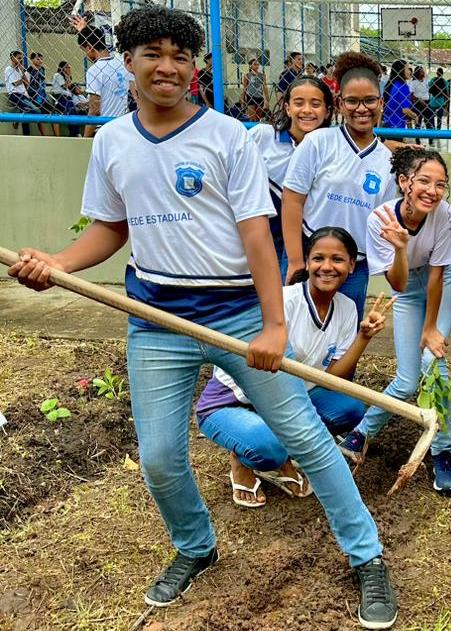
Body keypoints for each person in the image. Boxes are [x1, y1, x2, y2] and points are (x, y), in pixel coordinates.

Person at [5, 7, 398, 628]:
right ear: (125, 62)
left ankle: (368, 557)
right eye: (152, 54)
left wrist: (273, 326)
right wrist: (56, 263)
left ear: (195, 68)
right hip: (156, 318)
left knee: (307, 438)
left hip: (238, 313)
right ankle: (195, 546)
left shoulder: (226, 137)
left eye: (180, 56)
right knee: (161, 456)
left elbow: (256, 237)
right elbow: (111, 227)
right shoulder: (112, 141)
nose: (167, 67)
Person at [195, 228, 391, 508]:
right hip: (235, 401)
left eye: (337, 259)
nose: (327, 267)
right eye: (318, 258)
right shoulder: (282, 301)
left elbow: (335, 378)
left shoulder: (347, 308)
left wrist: (364, 337)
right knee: (269, 449)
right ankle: (243, 460)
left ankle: (284, 451)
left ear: (351, 265)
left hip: (292, 399)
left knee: (351, 409)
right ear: (307, 263)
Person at [339, 147, 451, 493]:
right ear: (404, 181)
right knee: (408, 381)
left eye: (441, 184)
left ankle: (442, 452)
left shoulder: (445, 213)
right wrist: (399, 248)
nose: (432, 191)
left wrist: (431, 328)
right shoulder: (380, 218)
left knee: (432, 363)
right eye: (424, 181)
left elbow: (439, 273)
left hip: (444, 281)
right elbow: (397, 284)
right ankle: (362, 433)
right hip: (406, 285)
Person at [282, 52, 397, 319]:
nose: (361, 109)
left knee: (343, 342)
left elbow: (381, 221)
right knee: (295, 335)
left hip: (353, 267)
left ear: (381, 102)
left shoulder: (387, 160)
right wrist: (297, 261)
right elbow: (292, 200)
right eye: (352, 101)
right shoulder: (318, 143)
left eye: (369, 100)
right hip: (313, 260)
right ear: (339, 103)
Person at [249, 75, 333, 280]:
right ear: (287, 108)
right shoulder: (264, 136)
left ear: (328, 111)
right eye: (298, 103)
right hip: (260, 234)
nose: (306, 110)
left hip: (299, 239)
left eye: (315, 104)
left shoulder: (332, 147)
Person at [77, 23, 134, 137]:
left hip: (104, 130)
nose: (86, 55)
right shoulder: (123, 64)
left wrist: (85, 138)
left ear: (89, 47)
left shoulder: (94, 71)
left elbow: (95, 109)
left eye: (85, 51)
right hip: (124, 126)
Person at [4, 51, 39, 136]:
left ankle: (26, 135)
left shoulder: (19, 69)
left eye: (21, 58)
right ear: (13, 58)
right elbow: (15, 83)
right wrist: (23, 80)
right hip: (15, 94)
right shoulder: (9, 69)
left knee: (26, 115)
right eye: (19, 58)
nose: (21, 60)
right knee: (36, 111)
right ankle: (18, 117)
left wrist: (22, 71)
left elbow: (27, 83)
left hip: (24, 95)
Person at [382, 59, 415, 136]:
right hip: (398, 126)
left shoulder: (391, 84)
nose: (410, 71)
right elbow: (405, 110)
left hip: (387, 124)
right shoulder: (403, 87)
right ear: (401, 70)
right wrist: (415, 116)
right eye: (407, 68)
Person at [27, 53, 56, 136]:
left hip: (42, 95)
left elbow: (42, 81)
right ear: (32, 60)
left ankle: (56, 135)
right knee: (39, 113)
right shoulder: (29, 70)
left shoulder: (42, 69)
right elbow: (27, 83)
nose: (40, 61)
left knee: (52, 111)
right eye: (38, 59)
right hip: (34, 96)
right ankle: (43, 135)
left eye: (41, 59)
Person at [408, 65, 430, 135]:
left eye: (423, 71)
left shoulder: (426, 80)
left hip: (426, 102)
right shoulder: (414, 82)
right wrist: (419, 100)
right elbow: (411, 94)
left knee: (428, 120)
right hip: (418, 103)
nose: (423, 72)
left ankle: (430, 136)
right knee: (419, 120)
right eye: (421, 71)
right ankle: (417, 137)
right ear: (417, 73)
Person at [428, 67, 448, 134]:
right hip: (441, 101)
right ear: (442, 73)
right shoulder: (444, 81)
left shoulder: (433, 80)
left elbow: (429, 86)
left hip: (433, 101)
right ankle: (438, 130)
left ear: (436, 73)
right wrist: (446, 101)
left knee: (431, 116)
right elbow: (446, 91)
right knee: (439, 117)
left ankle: (432, 128)